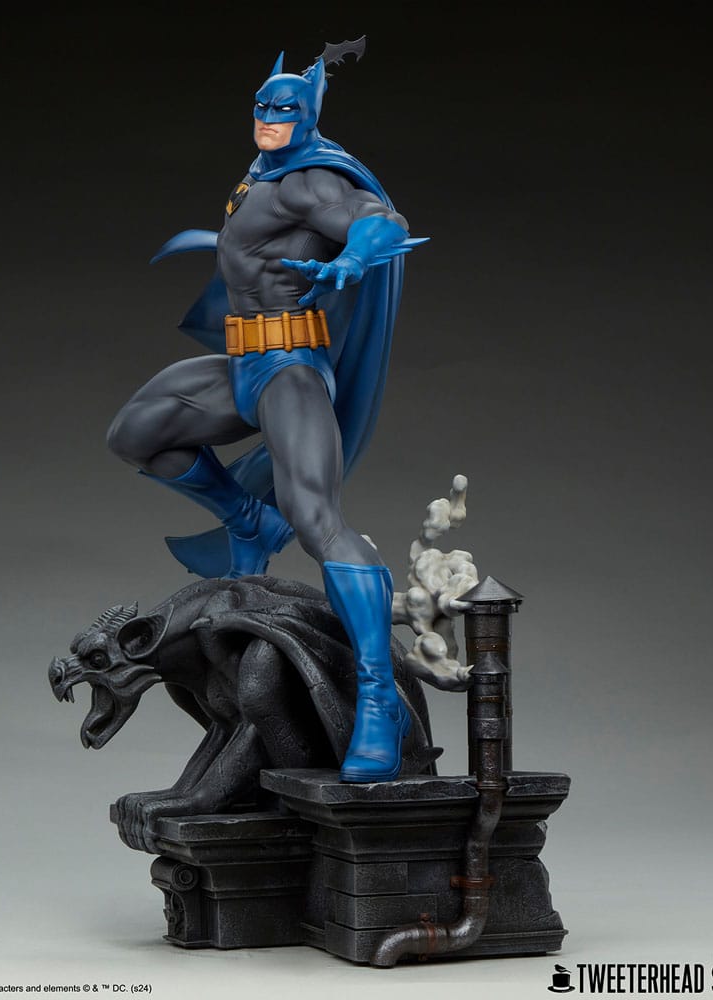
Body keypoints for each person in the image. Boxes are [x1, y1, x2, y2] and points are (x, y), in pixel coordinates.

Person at [106, 49, 425, 783]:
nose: (270, 119)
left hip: (289, 369)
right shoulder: (261, 172)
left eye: (286, 110)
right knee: (136, 434)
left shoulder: (312, 180)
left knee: (317, 518)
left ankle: (379, 699)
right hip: (242, 365)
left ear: (308, 117)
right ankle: (245, 520)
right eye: (262, 106)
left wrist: (356, 256)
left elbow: (377, 219)